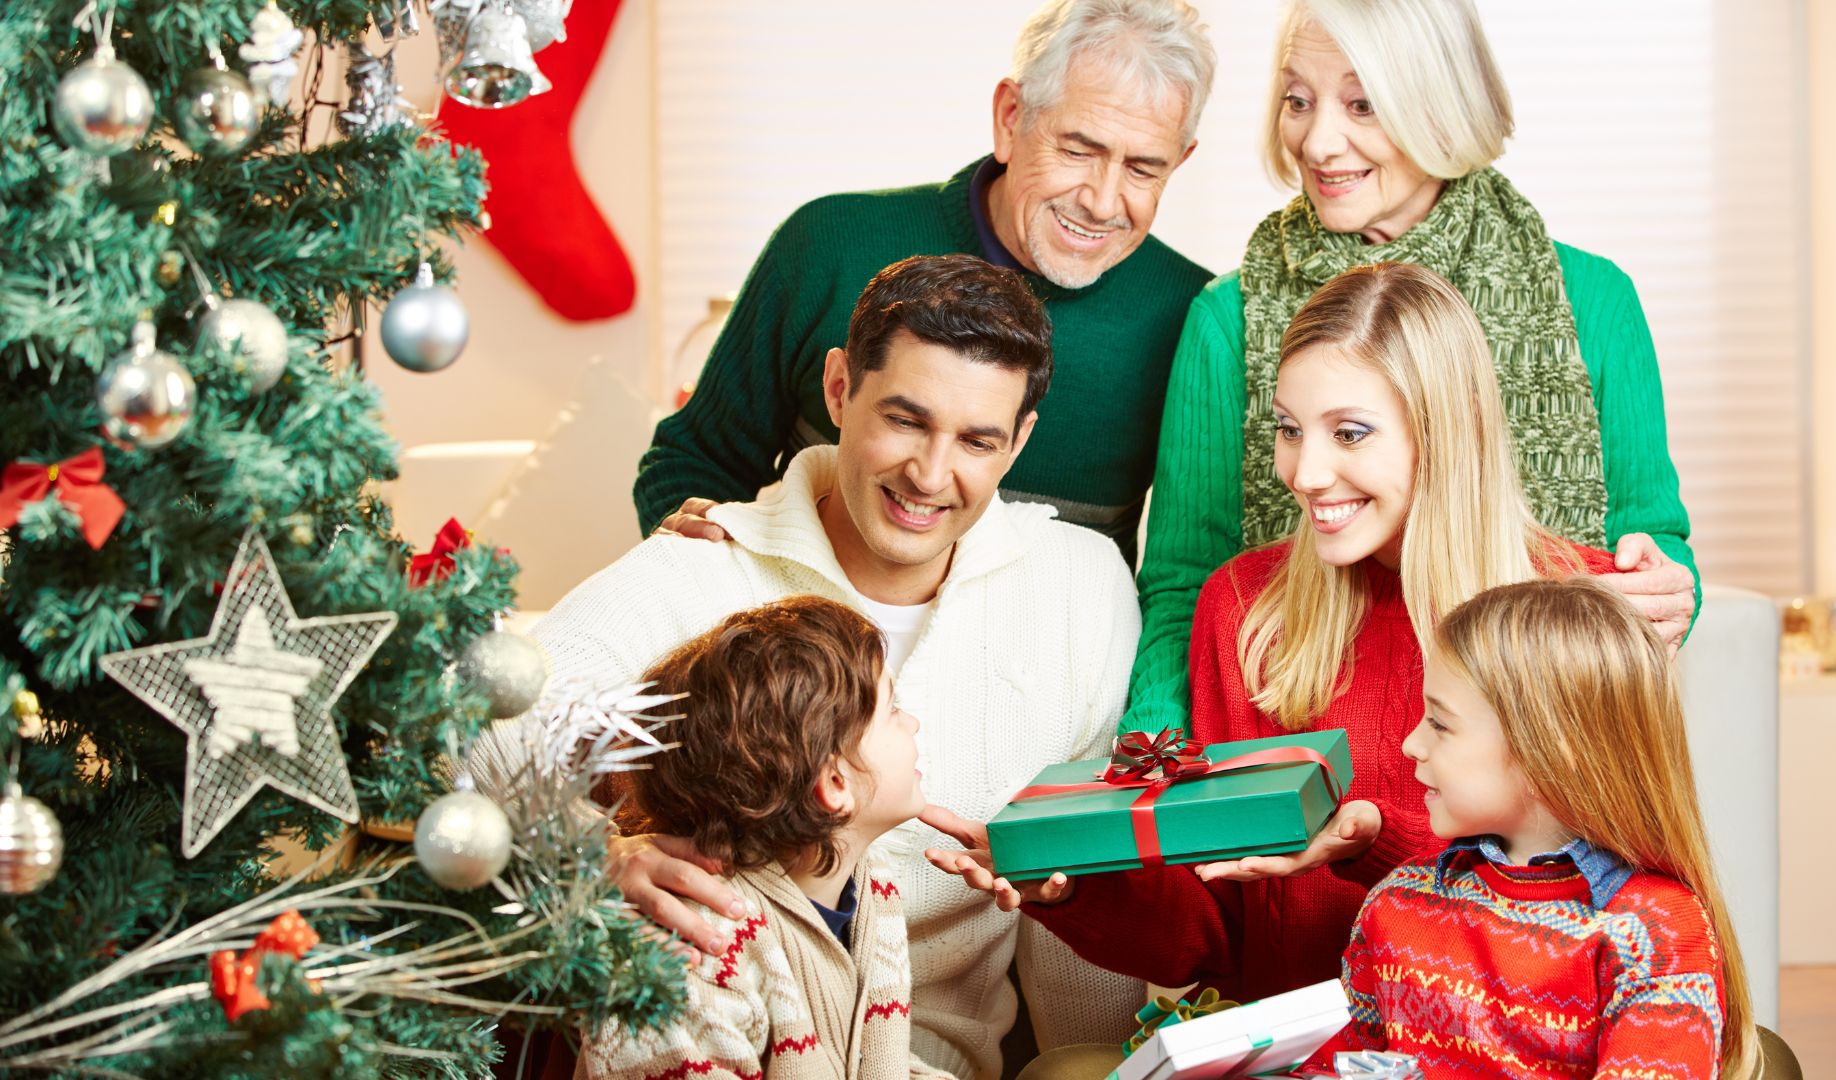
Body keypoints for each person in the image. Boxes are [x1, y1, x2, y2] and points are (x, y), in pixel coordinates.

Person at [474, 255, 1144, 1080]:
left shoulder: (1080, 584)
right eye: (904, 420)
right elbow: (485, 718)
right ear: (838, 391)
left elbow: (1078, 901)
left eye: (977, 440)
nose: (931, 476)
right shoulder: (704, 564)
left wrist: (1108, 1062)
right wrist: (591, 855)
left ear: (1022, 439)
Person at [926, 263, 1636, 1008]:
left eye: (1350, 433)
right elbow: (1215, 934)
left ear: (1446, 428)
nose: (1305, 472)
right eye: (1289, 430)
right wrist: (1070, 885)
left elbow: (1609, 913)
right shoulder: (1242, 608)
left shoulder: (1576, 610)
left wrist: (1372, 840)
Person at [1125, 0, 1698, 738]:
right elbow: (1184, 581)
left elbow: (1651, 537)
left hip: (1536, 733)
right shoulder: (1228, 318)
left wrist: (1666, 588)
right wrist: (1158, 762)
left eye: (1363, 103)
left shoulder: (1590, 300)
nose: (1318, 141)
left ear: (1442, 106)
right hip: (1304, 725)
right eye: (1297, 101)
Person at [640, 0, 1216, 566]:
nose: (1100, 201)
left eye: (1143, 168)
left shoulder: (1196, 318)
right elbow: (692, 463)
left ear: (1182, 160)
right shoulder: (829, 244)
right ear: (1012, 117)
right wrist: (715, 588)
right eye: (1076, 149)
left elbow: (1185, 571)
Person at [1294, 576, 1758, 1079]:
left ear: (1550, 750)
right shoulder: (1396, 903)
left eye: (1440, 724)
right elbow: (1331, 1066)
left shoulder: (1657, 934)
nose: (1411, 744)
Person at [577, 597, 955, 1080]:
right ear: (835, 783)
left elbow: (878, 1063)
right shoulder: (697, 947)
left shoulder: (869, 883)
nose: (913, 722)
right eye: (892, 709)